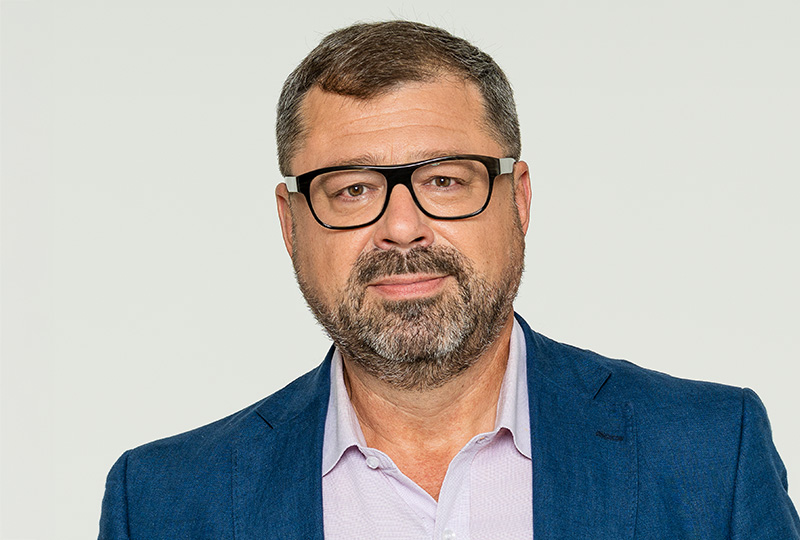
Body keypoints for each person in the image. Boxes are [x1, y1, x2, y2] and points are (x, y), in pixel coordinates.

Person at [98, 20, 799, 539]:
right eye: (352, 190)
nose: (402, 228)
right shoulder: (162, 504)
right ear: (290, 223)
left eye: (445, 181)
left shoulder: (712, 456)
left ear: (519, 201)